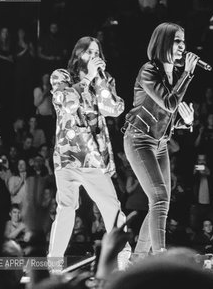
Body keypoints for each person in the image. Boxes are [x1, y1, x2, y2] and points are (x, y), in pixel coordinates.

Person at [123, 22, 198, 256]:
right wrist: (187, 74)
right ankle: (160, 256)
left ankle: (138, 258)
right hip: (139, 140)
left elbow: (166, 116)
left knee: (161, 202)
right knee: (159, 197)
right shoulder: (148, 71)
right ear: (163, 42)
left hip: (160, 143)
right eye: (177, 41)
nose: (182, 46)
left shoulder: (172, 75)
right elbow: (168, 102)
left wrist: (185, 121)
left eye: (183, 41)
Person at [48, 36, 126, 258]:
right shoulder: (61, 76)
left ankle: (122, 258)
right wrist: (88, 78)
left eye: (97, 52)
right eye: (89, 52)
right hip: (67, 155)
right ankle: (53, 264)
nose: (94, 56)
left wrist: (100, 80)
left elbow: (113, 109)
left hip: (93, 157)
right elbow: (66, 102)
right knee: (66, 209)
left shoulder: (103, 80)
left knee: (111, 206)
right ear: (79, 54)